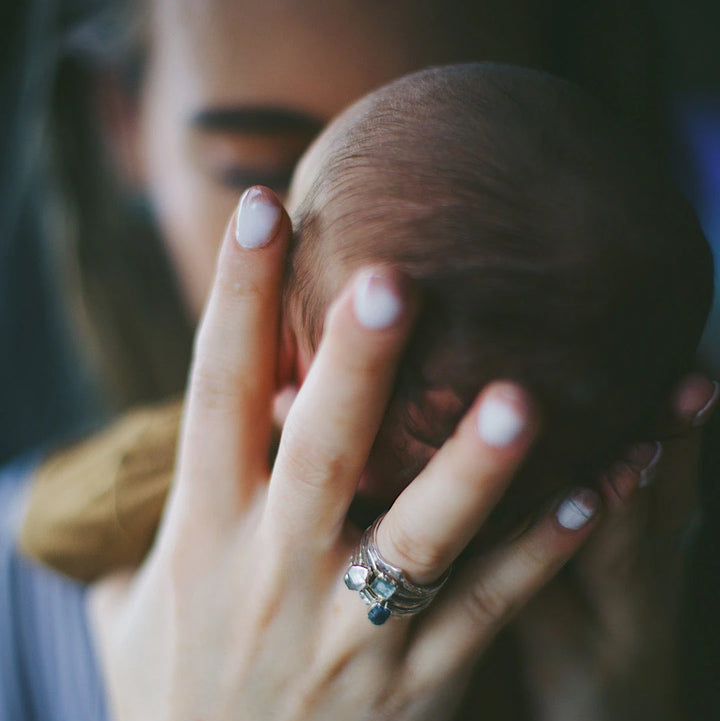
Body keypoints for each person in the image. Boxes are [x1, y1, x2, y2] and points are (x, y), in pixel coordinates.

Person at [1, 0, 719, 721]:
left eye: (457, 218)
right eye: (257, 174)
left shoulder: (655, 536)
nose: (364, 308)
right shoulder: (22, 604)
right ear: (122, 123)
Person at [18, 62, 713, 586]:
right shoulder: (595, 546)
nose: (255, 274)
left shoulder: (226, 453)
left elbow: (47, 525)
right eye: (260, 172)